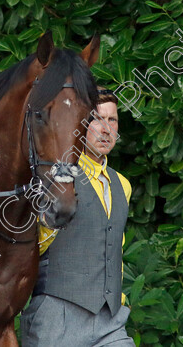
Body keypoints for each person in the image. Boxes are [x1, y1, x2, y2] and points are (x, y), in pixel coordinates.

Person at [21, 88, 135, 347]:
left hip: (110, 320)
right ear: (80, 123)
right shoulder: (57, 175)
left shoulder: (123, 185)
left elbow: (113, 247)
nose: (106, 129)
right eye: (96, 118)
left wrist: (118, 299)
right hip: (57, 315)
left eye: (112, 120)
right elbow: (28, 244)